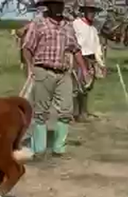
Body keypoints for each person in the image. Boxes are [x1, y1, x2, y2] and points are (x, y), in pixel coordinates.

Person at [22, 0, 90, 159]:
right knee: (40, 112)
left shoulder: (67, 26)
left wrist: (84, 69)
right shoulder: (39, 24)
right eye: (55, 5)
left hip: (63, 72)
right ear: (49, 6)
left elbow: (76, 49)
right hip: (43, 70)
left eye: (61, 5)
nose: (59, 8)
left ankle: (59, 148)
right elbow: (27, 47)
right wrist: (30, 67)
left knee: (66, 110)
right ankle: (39, 149)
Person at [72, 0, 106, 122]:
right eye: (89, 11)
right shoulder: (76, 24)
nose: (91, 14)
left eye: (93, 11)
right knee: (78, 86)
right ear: (84, 11)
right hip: (79, 57)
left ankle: (83, 112)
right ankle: (75, 113)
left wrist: (101, 64)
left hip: (90, 59)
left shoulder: (93, 29)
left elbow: (97, 48)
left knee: (87, 87)